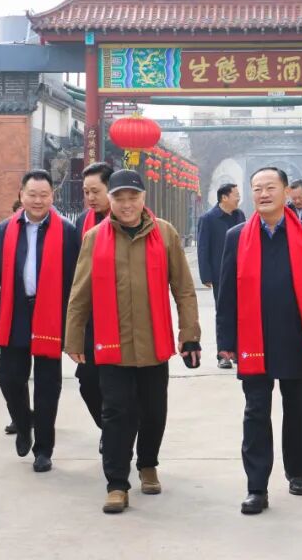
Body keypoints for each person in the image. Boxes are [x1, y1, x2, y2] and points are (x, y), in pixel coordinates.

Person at [64, 169, 200, 514]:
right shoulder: (94, 237)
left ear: (143, 199)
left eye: (132, 197)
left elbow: (183, 289)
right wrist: (73, 337)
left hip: (154, 342)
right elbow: (80, 293)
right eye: (119, 198)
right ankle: (116, 484)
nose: (126, 205)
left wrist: (189, 335)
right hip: (113, 344)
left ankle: (148, 464)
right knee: (116, 413)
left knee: (154, 411)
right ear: (110, 200)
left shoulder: (165, 234)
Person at [217, 167, 302, 515]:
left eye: (270, 187)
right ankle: (256, 487)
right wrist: (226, 340)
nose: (264, 194)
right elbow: (227, 293)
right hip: (253, 337)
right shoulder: (237, 236)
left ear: (286, 192)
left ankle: (297, 472)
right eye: (257, 188)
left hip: (297, 336)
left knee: (297, 409)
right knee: (256, 412)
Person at [0, 170, 81, 472]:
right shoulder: (6, 229)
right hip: (16, 311)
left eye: (44, 195)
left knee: (48, 386)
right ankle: (23, 424)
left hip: (51, 313)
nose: (38, 200)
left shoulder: (66, 231)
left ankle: (44, 450)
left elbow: (77, 280)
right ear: (21, 195)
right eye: (32, 194)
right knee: (9, 377)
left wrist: (77, 322)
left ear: (52, 196)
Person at [72, 162, 114, 436]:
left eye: (95, 191)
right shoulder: (81, 223)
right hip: (91, 317)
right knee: (87, 382)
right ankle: (108, 429)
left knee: (117, 383)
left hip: (121, 314)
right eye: (86, 192)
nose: (90, 197)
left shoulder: (129, 219)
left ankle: (116, 433)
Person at [197, 182, 246, 369]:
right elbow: (203, 248)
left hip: (241, 273)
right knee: (224, 313)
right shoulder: (208, 218)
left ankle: (239, 351)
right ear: (224, 197)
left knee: (241, 312)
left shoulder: (240, 216)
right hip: (220, 274)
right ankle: (223, 354)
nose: (238, 198)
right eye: (236, 195)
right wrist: (206, 275)